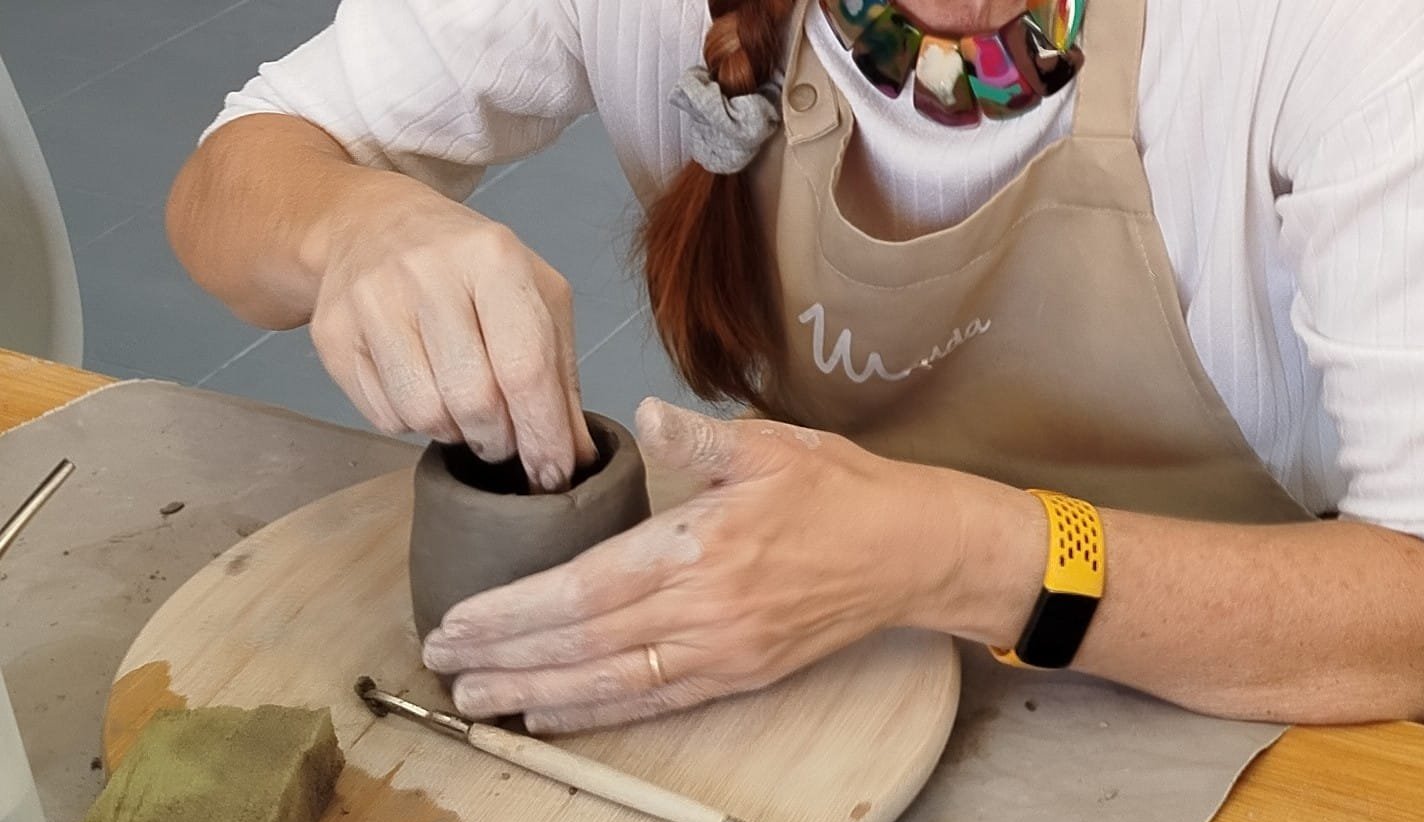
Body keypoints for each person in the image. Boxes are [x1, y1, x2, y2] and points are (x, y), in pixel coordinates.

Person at [167, 0, 1424, 733]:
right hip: (827, 674)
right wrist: (354, 224)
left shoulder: (1347, 36)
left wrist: (959, 551)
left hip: (1257, 698)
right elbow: (236, 178)